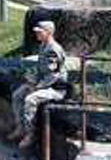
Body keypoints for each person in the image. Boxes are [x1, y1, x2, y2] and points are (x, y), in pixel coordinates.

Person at [8, 20, 68, 150]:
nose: (37, 34)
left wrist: (36, 87)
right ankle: (20, 127)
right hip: (44, 84)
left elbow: (53, 75)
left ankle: (31, 134)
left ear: (49, 33)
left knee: (31, 99)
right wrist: (31, 80)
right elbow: (41, 71)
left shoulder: (53, 49)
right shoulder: (43, 46)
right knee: (18, 94)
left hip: (55, 88)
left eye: (40, 32)